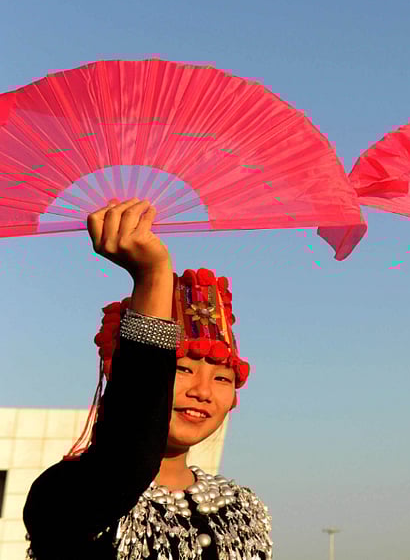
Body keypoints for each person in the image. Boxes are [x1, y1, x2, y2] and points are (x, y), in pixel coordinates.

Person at [24, 199, 271, 560]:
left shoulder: (245, 509)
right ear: (129, 375)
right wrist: (153, 275)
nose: (202, 392)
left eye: (222, 378)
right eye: (182, 369)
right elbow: (130, 456)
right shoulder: (67, 493)